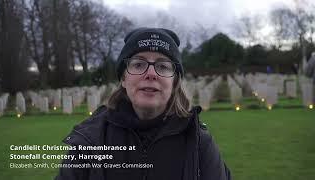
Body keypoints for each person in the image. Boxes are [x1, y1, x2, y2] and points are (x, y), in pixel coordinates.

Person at [55, 27, 231, 180]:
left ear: (175, 82)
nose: (151, 74)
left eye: (163, 66)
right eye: (139, 64)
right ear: (123, 78)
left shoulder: (199, 142)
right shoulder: (90, 139)